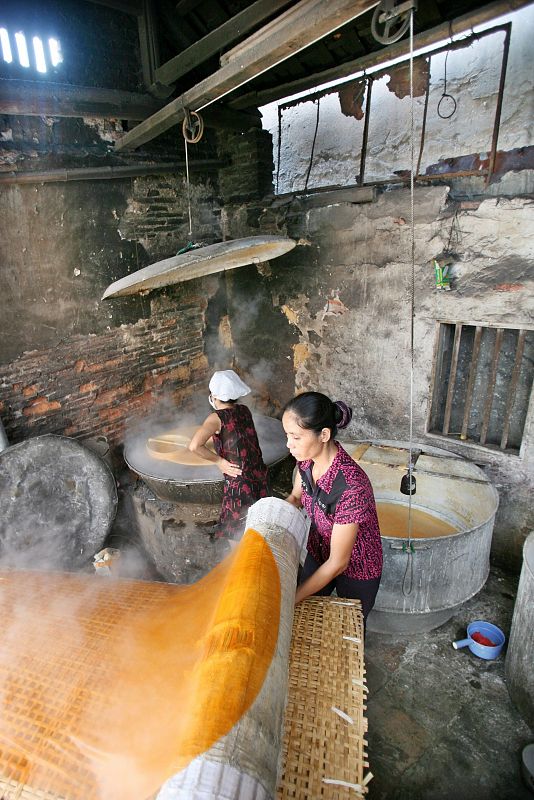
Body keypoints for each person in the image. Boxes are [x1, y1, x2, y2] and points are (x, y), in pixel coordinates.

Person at [282, 391, 382, 623]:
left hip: (358, 566)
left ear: (324, 435)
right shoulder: (306, 460)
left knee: (350, 626)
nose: (289, 445)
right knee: (306, 616)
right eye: (287, 435)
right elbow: (296, 498)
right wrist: (268, 523)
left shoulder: (350, 486)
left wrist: (290, 599)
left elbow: (338, 563)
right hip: (319, 549)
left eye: (296, 437)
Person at [189, 369, 269, 543]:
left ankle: (240, 563)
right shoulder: (244, 410)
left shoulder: (216, 418)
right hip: (258, 475)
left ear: (214, 396)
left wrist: (219, 461)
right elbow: (235, 436)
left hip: (239, 481)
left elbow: (194, 446)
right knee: (255, 523)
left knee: (236, 531)